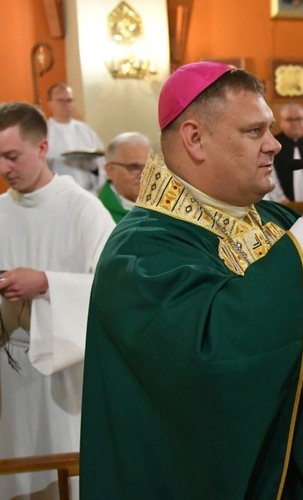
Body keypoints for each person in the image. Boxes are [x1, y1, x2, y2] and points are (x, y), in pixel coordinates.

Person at [80, 61, 303, 499]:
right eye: (254, 131)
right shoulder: (139, 253)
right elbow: (215, 356)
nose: (274, 144)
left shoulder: (267, 217)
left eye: (270, 128)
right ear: (195, 139)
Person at [0, 102, 115, 499]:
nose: (4, 168)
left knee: (65, 477)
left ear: (43, 147)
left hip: (66, 377)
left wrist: (46, 283)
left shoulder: (84, 210)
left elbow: (114, 290)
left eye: (11, 156)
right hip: (8, 375)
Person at [46, 82, 105, 193]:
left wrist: (94, 168)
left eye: (69, 100)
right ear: (50, 103)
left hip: (88, 193)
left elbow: (102, 163)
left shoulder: (86, 131)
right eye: (60, 100)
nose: (66, 105)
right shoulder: (44, 132)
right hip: (58, 195)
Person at [98, 131, 152, 222]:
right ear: (109, 170)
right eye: (134, 167)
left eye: (149, 167)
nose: (144, 175)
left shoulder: (165, 208)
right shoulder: (99, 215)